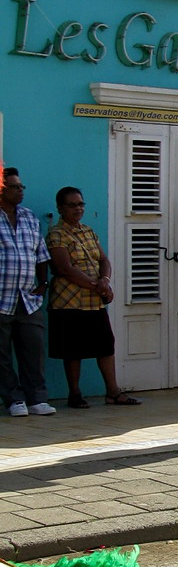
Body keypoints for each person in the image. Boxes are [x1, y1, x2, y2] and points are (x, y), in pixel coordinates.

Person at [46, 187, 138, 407]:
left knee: (105, 345)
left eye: (81, 204)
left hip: (94, 301)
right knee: (72, 349)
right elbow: (64, 268)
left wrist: (104, 280)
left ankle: (113, 392)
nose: (78, 209)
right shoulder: (56, 234)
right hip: (69, 301)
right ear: (60, 208)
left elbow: (103, 260)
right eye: (72, 205)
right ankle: (75, 393)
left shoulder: (88, 232)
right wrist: (97, 286)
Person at [0, 167, 54, 417]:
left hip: (27, 298)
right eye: (14, 187)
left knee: (33, 350)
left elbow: (41, 254)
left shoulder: (29, 217)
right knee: (2, 355)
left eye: (21, 187)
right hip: (1, 298)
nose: (20, 191)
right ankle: (13, 400)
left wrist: (42, 284)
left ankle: (37, 398)